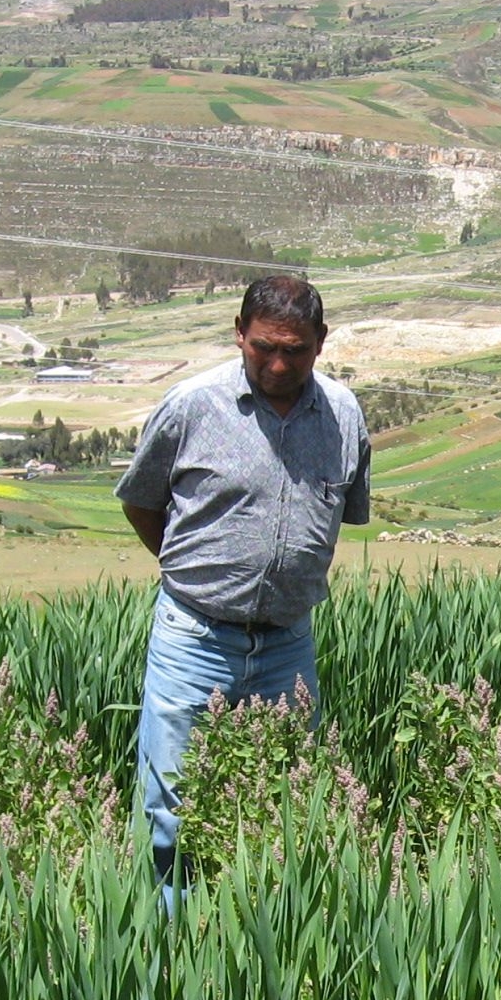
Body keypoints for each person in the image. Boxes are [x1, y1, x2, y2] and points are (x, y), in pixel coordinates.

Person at [116, 272, 371, 881]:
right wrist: (198, 574)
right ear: (238, 334)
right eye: (265, 347)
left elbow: (345, 512)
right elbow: (140, 501)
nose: (279, 364)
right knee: (170, 811)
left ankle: (259, 938)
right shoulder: (192, 406)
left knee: (284, 806)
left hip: (289, 643)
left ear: (322, 341)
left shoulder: (342, 414)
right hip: (195, 639)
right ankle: (168, 954)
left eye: (295, 349)